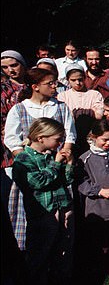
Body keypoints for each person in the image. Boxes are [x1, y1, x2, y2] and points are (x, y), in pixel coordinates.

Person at [3, 68, 76, 251]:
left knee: (62, 219)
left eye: (55, 83)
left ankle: (61, 263)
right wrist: (32, 164)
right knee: (35, 222)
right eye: (49, 83)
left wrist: (63, 159)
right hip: (33, 173)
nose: (54, 87)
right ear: (35, 87)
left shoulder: (60, 107)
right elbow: (12, 141)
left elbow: (69, 137)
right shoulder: (19, 109)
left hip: (58, 170)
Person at [12, 118, 75, 285]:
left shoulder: (51, 154)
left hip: (63, 206)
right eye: (57, 139)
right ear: (41, 138)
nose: (60, 143)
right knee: (40, 253)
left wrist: (69, 164)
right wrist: (56, 164)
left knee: (64, 249)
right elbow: (38, 182)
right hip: (43, 213)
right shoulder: (23, 160)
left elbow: (67, 180)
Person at [76, 119, 109, 276]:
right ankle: (101, 269)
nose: (108, 143)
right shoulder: (85, 159)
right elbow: (81, 182)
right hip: (97, 208)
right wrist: (99, 191)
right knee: (100, 241)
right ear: (93, 137)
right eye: (104, 140)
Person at [57, 64, 104, 157]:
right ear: (68, 80)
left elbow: (99, 115)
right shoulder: (63, 96)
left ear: (84, 78)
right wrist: (89, 111)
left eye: (80, 79)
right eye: (73, 80)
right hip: (70, 136)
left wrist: (79, 113)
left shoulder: (94, 94)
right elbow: (64, 117)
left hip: (91, 135)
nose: (77, 83)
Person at [1, 50, 27, 169]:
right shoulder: (4, 90)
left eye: (14, 65)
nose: (10, 70)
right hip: (10, 139)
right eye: (5, 67)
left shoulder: (35, 84)